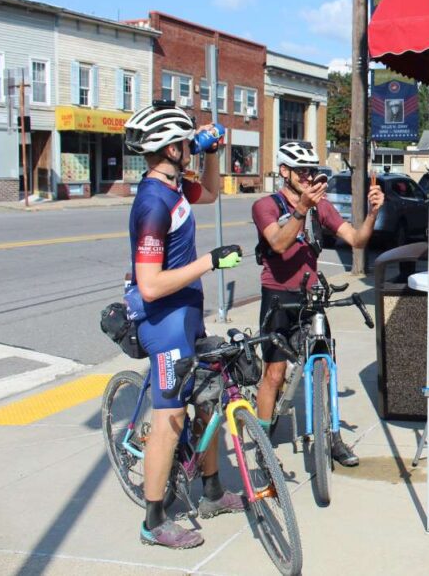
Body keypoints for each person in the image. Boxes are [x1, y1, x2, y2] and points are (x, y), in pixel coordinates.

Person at [124, 101, 245, 549]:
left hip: (187, 317)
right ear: (172, 149)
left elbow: (211, 193)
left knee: (209, 399)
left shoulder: (175, 190)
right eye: (186, 141)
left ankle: (211, 490)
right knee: (171, 417)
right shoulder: (154, 203)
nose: (190, 147)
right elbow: (151, 285)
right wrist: (208, 263)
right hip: (164, 321)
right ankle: (154, 522)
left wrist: (212, 151)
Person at [252, 141, 384, 467]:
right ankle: (263, 442)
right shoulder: (266, 206)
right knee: (274, 374)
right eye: (301, 171)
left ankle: (333, 437)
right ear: (284, 172)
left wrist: (372, 214)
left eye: (311, 170)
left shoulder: (320, 207)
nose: (308, 176)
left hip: (312, 297)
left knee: (326, 369)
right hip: (278, 297)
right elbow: (280, 244)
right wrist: (301, 210)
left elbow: (356, 240)